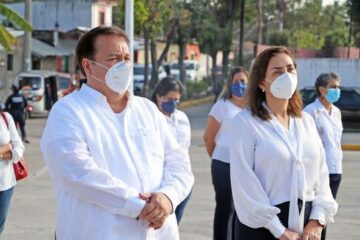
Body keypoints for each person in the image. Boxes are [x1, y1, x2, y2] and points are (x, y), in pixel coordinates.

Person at [40, 26, 194, 240]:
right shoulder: (67, 112)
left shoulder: (147, 110)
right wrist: (141, 206)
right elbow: (79, 175)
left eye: (127, 57)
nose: (123, 65)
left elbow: (178, 163)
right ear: (89, 66)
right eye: (113, 58)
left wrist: (168, 198)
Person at [229, 47, 338, 240]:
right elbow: (244, 183)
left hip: (307, 227)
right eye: (277, 72)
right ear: (262, 82)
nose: (286, 76)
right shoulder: (245, 123)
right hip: (261, 228)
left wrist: (317, 220)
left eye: (290, 69)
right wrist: (279, 230)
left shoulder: (306, 121)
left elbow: (321, 175)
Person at [203, 67, 249, 240]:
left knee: (240, 209)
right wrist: (219, 158)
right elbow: (209, 138)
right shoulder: (222, 106)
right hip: (223, 164)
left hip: (244, 166)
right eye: (236, 82)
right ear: (230, 85)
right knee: (225, 207)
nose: (240, 85)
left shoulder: (252, 108)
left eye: (243, 82)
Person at [304, 72, 343, 240]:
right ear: (321, 90)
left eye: (338, 87)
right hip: (317, 172)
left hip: (335, 169)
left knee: (324, 215)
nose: (337, 90)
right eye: (333, 87)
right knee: (312, 216)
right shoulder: (310, 112)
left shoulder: (336, 112)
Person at [151, 77, 192, 224]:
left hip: (182, 180)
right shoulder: (150, 118)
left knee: (175, 223)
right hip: (160, 183)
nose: (173, 103)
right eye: (169, 99)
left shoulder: (182, 117)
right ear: (158, 96)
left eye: (176, 99)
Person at [0, 103, 25, 235]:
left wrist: (3, 153)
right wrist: (7, 146)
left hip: (5, 184)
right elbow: (11, 145)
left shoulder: (5, 118)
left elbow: (18, 147)